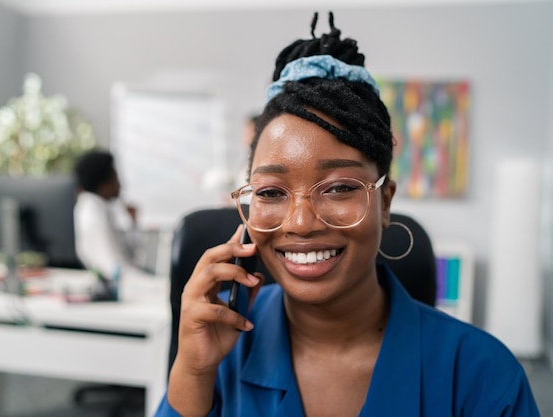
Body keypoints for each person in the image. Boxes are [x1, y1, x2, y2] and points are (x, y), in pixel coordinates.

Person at [155, 12, 540, 417]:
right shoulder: (221, 348)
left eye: (339, 188)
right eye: (270, 191)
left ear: (386, 202)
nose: (301, 223)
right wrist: (194, 372)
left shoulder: (483, 376)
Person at [73, 149, 139, 283]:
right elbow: (114, 269)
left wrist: (132, 223)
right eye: (115, 177)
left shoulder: (100, 208)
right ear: (104, 182)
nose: (120, 184)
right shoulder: (92, 213)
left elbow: (128, 255)